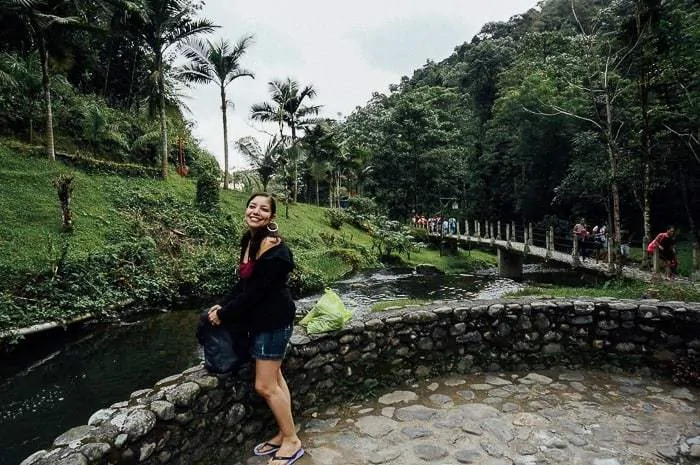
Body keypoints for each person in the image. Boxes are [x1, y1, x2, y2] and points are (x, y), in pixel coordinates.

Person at [207, 192, 304, 465]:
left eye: (263, 209)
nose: (256, 212)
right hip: (263, 321)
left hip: (273, 322)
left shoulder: (275, 250)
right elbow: (243, 283)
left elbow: (256, 294)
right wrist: (221, 304)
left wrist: (224, 314)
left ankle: (293, 442)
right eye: (252, 206)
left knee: (264, 386)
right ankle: (287, 433)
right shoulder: (249, 240)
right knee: (276, 380)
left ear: (272, 217)